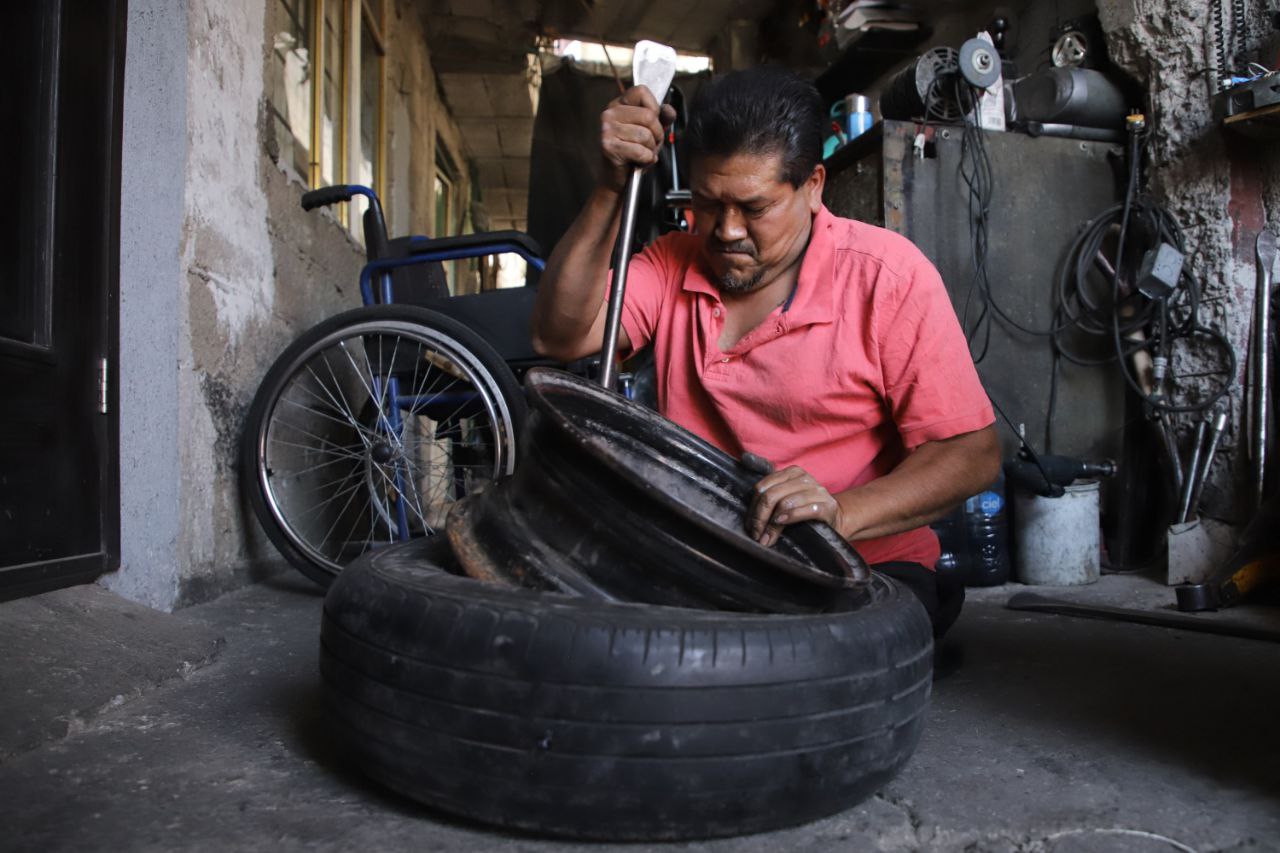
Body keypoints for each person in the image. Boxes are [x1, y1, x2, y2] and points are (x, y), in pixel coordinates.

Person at [530, 67, 999, 637]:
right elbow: (559, 335)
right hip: (713, 563)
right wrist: (610, 188)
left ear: (813, 185)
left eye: (753, 208)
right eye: (707, 202)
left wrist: (839, 515)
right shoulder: (673, 260)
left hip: (865, 571)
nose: (725, 231)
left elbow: (971, 454)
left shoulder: (887, 277)